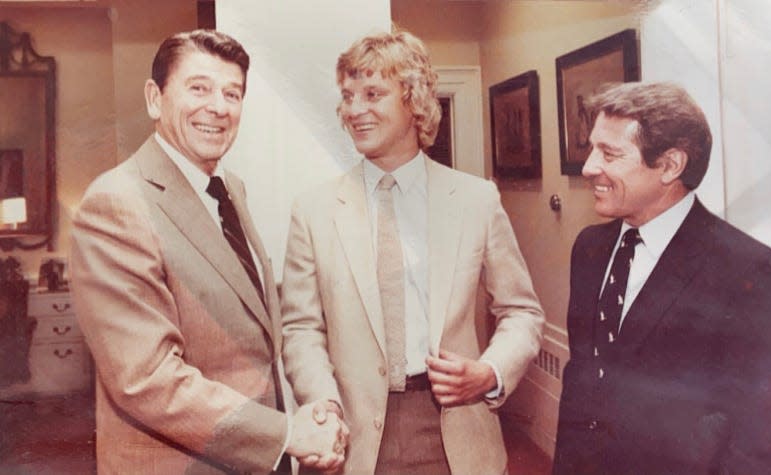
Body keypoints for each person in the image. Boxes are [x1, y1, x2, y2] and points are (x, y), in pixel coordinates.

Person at [70, 29, 346, 474]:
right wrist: (287, 434)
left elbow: (254, 336)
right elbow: (147, 379)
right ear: (154, 99)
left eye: (232, 93)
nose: (218, 107)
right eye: (198, 88)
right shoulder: (115, 203)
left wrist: (313, 413)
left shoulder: (227, 190)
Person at [280, 30, 545, 475]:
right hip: (350, 437)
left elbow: (522, 312)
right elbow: (301, 328)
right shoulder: (314, 210)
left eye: (373, 94)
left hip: (454, 428)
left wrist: (489, 372)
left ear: (414, 100)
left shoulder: (476, 200)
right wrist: (323, 403)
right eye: (347, 96)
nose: (354, 110)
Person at [553, 81, 771, 474]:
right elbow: (583, 383)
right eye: (591, 149)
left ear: (670, 165)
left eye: (609, 154)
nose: (588, 167)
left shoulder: (755, 274)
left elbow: (764, 440)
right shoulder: (589, 249)